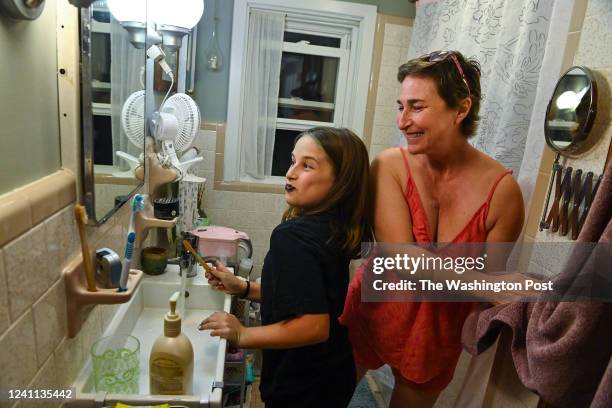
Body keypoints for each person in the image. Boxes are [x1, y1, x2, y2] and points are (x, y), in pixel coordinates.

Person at [339, 50, 525, 407]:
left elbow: (487, 286)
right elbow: (401, 257)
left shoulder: (503, 193)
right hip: (374, 312)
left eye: (417, 107)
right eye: (400, 106)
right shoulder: (390, 165)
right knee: (329, 397)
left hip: (434, 336)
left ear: (461, 109)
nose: (402, 121)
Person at [199, 127, 372, 407]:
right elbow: (304, 295)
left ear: (340, 181)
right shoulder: (333, 228)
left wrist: (243, 334)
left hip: (303, 386)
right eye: (293, 161)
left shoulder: (293, 237)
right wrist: (244, 288)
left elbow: (315, 325)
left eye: (307, 165)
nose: (291, 172)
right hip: (333, 373)